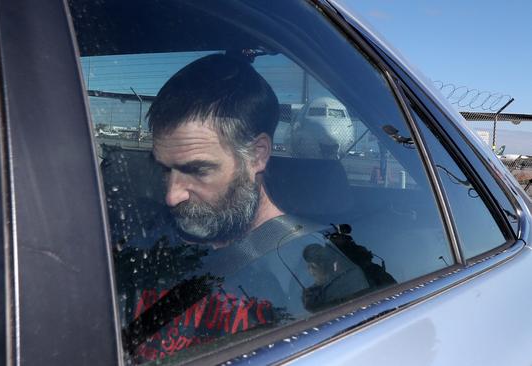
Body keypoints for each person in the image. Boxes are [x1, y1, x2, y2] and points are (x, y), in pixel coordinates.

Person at [123, 53, 369, 363]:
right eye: (164, 169)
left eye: (198, 170)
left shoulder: (325, 278)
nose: (172, 196)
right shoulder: (143, 239)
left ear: (257, 155)